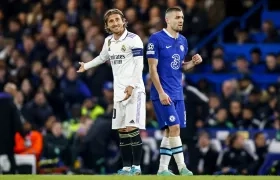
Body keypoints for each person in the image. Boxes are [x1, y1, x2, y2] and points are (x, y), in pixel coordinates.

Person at [77, 9, 146, 175]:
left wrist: (131, 86)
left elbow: (139, 65)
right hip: (118, 93)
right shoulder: (108, 41)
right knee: (122, 130)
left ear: (123, 21)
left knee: (131, 128)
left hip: (134, 90)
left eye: (117, 19)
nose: (115, 23)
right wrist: (86, 66)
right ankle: (127, 167)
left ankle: (137, 167)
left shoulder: (133, 39)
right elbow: (102, 58)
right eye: (111, 21)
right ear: (107, 26)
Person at [146, 7, 203, 176]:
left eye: (182, 17)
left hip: (178, 93)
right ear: (167, 20)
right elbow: (152, 69)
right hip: (162, 93)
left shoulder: (183, 41)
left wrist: (193, 62)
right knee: (175, 128)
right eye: (177, 17)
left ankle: (162, 169)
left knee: (169, 131)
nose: (181, 20)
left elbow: (180, 66)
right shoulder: (156, 39)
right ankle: (182, 167)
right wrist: (161, 92)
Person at [0, 83, 24, 174]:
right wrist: (23, 134)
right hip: (7, 141)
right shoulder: (10, 103)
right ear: (12, 92)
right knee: (10, 167)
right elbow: (17, 123)